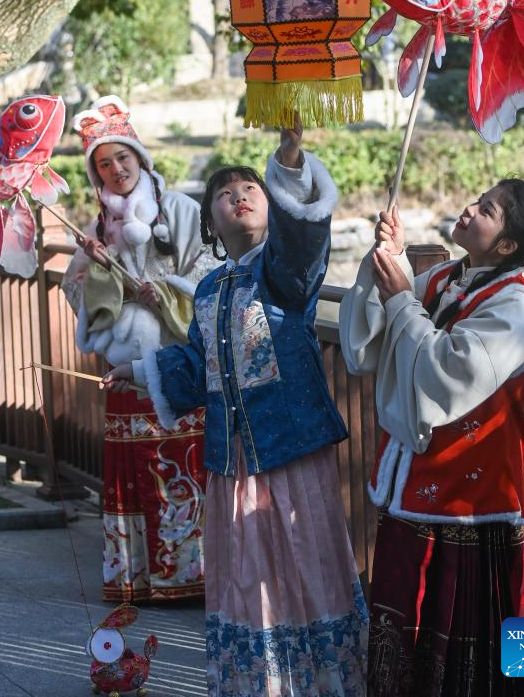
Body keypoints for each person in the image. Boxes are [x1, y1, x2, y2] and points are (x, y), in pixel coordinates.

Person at [104, 116, 369, 697]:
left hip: (290, 449)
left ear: (272, 207)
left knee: (306, 563)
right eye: (224, 193)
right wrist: (136, 369)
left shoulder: (284, 274)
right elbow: (199, 369)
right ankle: (262, 684)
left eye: (250, 188)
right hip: (233, 461)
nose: (239, 196)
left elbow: (303, 246)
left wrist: (291, 160)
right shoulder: (208, 289)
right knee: (249, 575)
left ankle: (323, 683)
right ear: (211, 223)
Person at [339, 180, 524, 697]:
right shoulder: (444, 278)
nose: (468, 208)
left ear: (507, 246)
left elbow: (447, 374)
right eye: (476, 200)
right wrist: (388, 261)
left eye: (485, 210)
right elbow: (369, 347)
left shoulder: (516, 306)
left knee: (486, 626)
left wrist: (401, 298)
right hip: (415, 488)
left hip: (475, 500)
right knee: (407, 628)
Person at [62, 96, 214, 603]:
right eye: (103, 164)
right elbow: (75, 292)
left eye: (122, 157)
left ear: (141, 158)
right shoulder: (96, 231)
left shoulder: (184, 211)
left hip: (178, 366)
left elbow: (210, 274)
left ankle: (191, 576)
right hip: (127, 370)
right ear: (96, 175)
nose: (115, 169)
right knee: (133, 472)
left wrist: (167, 292)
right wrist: (104, 277)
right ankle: (137, 578)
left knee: (184, 467)